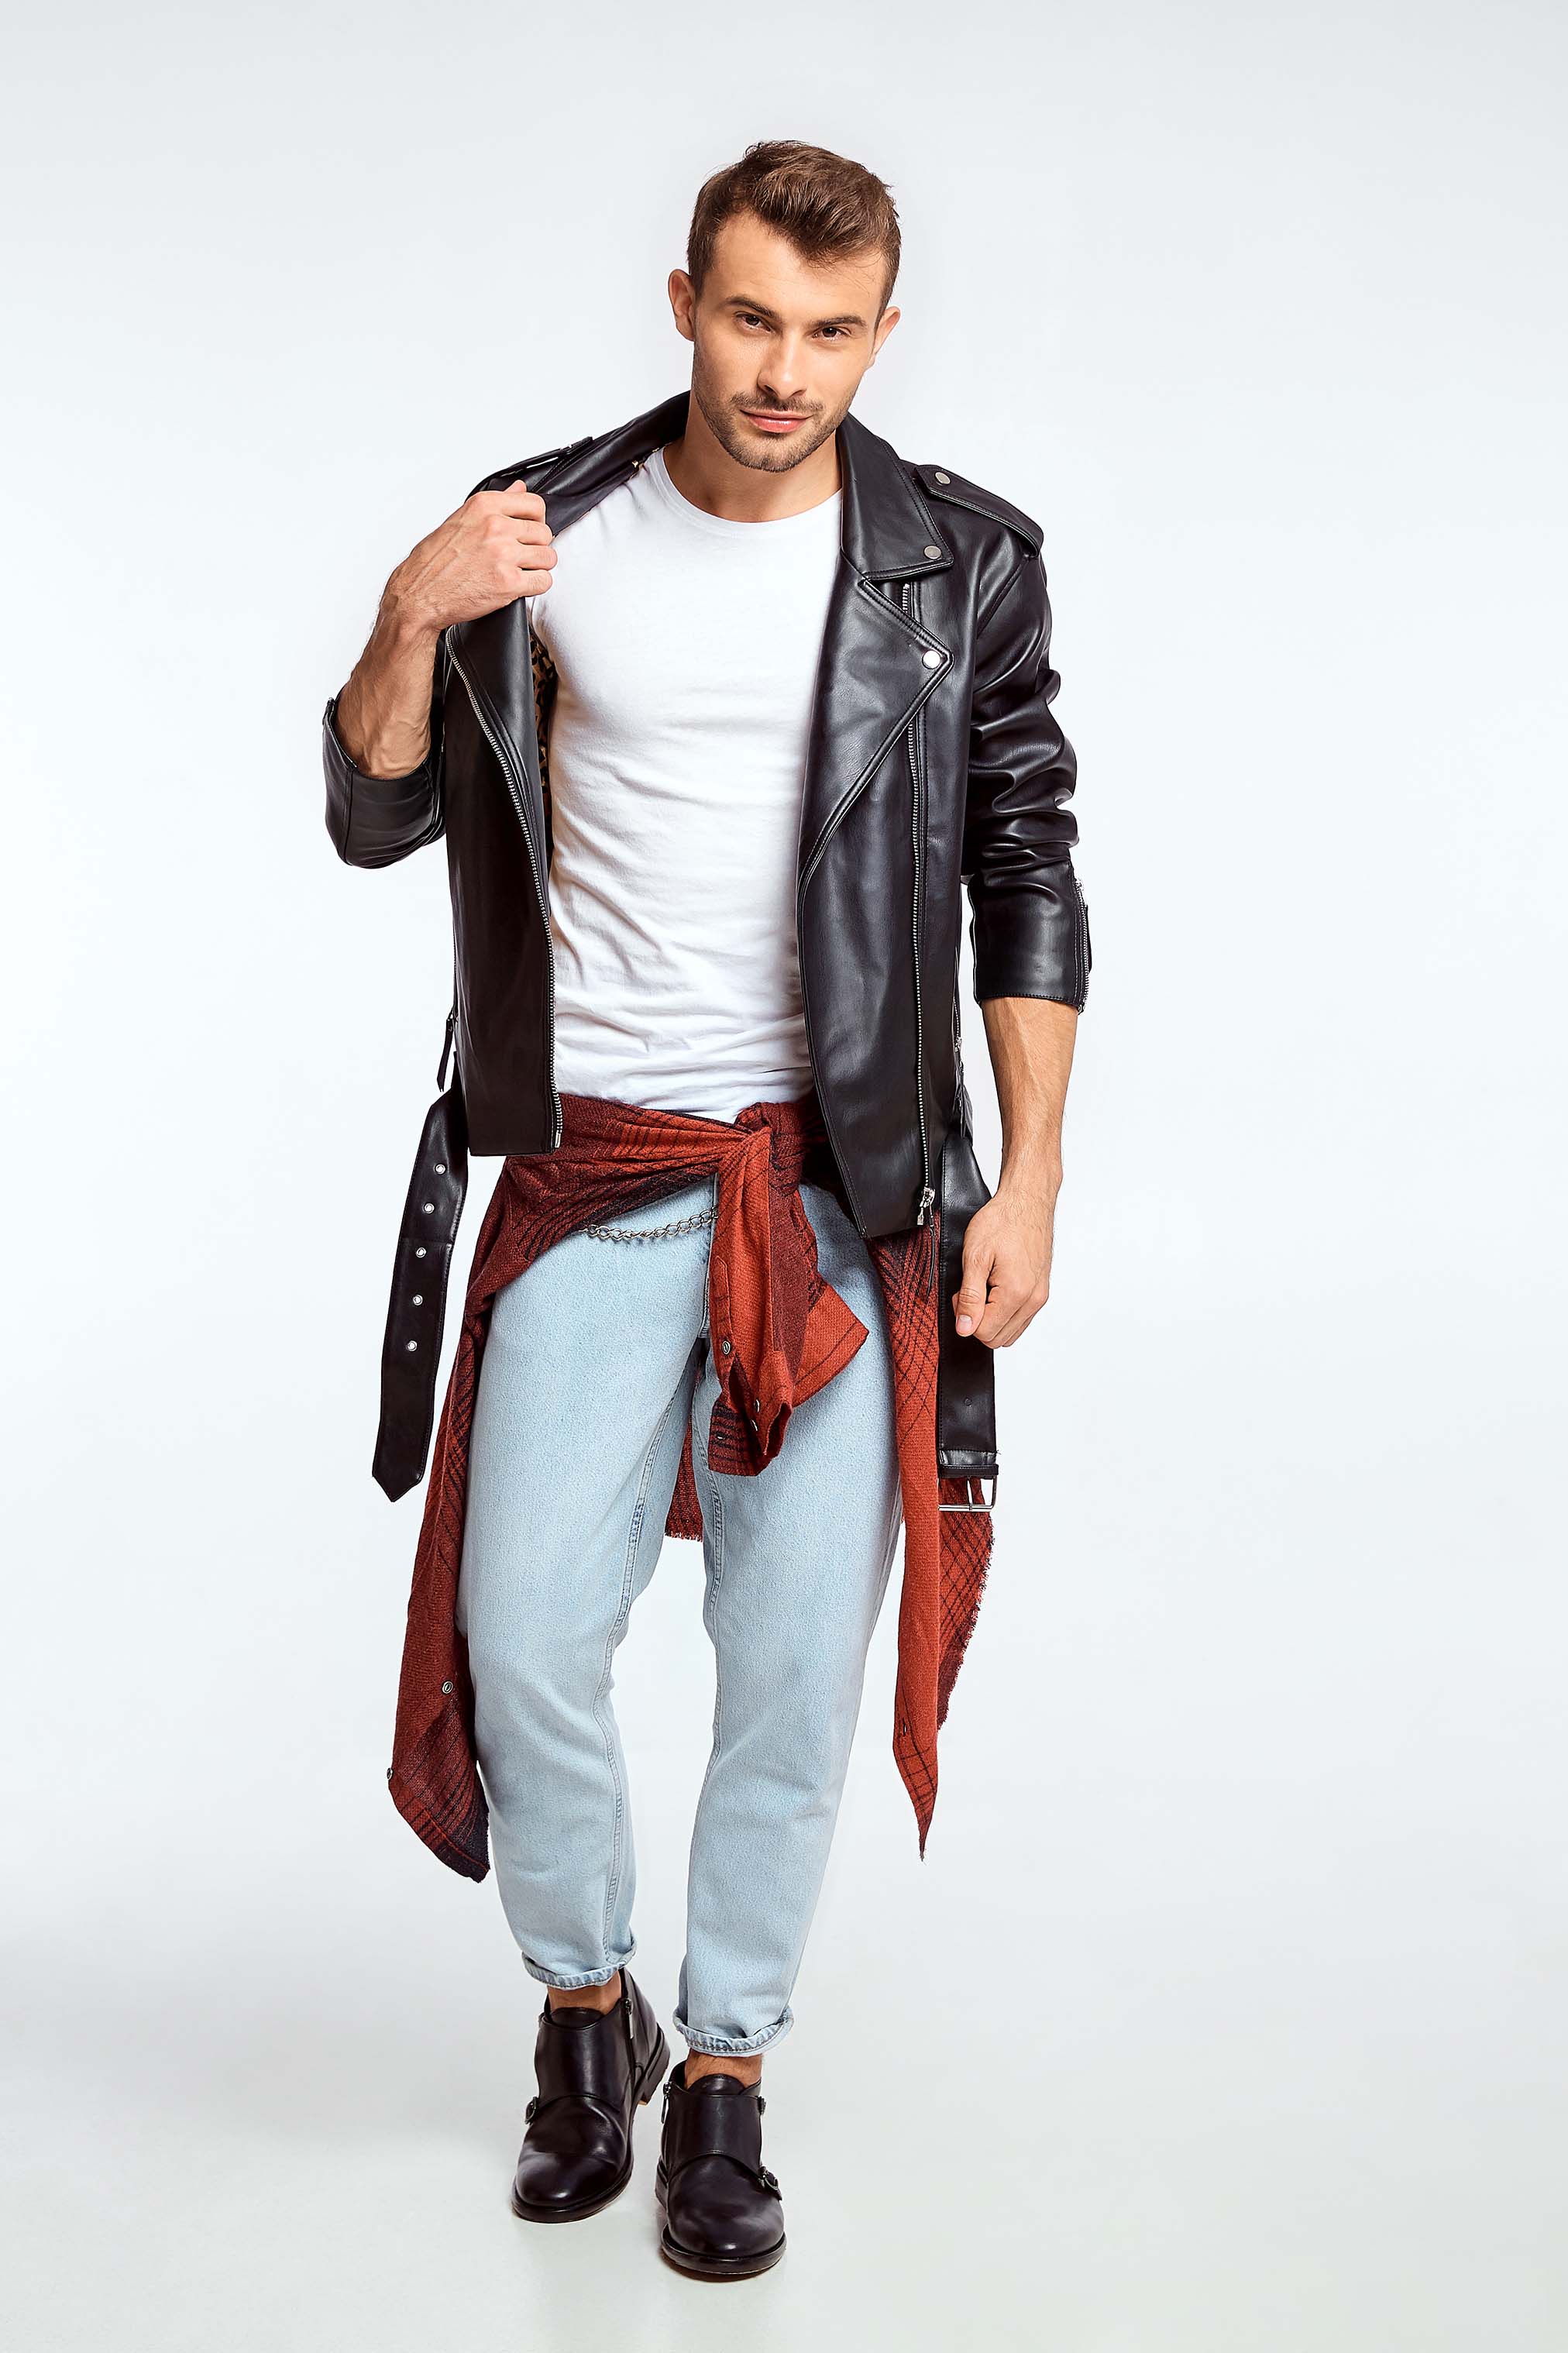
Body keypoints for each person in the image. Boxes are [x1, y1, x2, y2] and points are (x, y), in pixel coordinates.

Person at [322, 138, 1086, 2281]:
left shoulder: (961, 569)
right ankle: (589, 2006)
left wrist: (1034, 1171)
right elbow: (369, 808)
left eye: (831, 333)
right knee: (522, 1637)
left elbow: (1027, 858)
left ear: (882, 335)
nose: (784, 371)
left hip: (844, 1193)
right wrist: (411, 606)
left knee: (792, 1669)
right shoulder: (542, 533)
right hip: (599, 1168)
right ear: (685, 305)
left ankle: (728, 2062)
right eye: (752, 319)